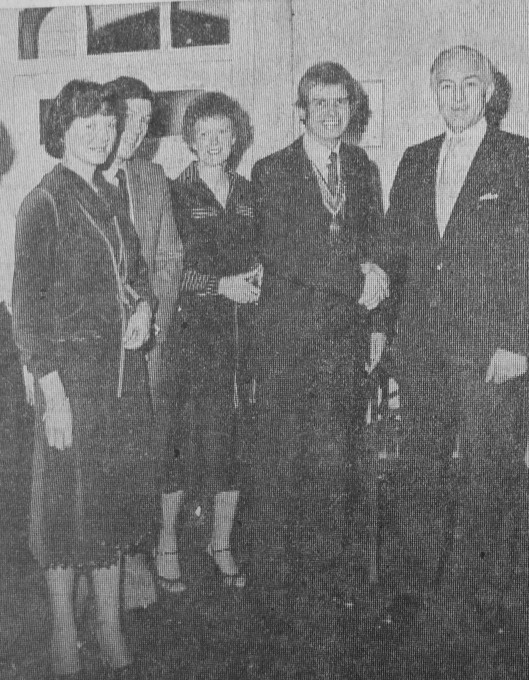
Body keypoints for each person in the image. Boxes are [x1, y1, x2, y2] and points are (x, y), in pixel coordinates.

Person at [379, 44, 529, 667]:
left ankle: (493, 613)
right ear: (431, 90)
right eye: (446, 85)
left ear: (492, 92)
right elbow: (395, 254)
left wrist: (518, 342)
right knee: (422, 478)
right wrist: (385, 328)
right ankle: (425, 614)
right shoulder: (413, 160)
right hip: (424, 352)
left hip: (492, 353)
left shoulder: (524, 160)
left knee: (491, 481)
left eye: (471, 84)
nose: (458, 96)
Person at [12, 79, 155, 679]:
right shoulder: (43, 202)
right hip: (70, 386)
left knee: (111, 510)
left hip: (120, 383)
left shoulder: (111, 195)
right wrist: (53, 393)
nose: (102, 139)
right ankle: (64, 637)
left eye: (107, 127)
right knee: (65, 513)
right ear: (61, 133)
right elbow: (28, 309)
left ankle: (111, 633)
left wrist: (144, 310)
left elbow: (137, 273)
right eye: (87, 128)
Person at [248, 62, 388, 629]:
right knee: (293, 473)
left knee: (344, 472)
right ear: (300, 111)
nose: (332, 112)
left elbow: (377, 242)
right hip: (290, 350)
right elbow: (288, 254)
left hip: (347, 347)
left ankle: (342, 593)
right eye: (320, 102)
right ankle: (290, 598)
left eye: (341, 103)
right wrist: (355, 281)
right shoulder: (271, 171)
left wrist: (380, 316)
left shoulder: (363, 167)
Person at [154, 92, 258, 593]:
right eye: (205, 134)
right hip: (191, 340)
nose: (216, 143)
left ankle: (221, 545)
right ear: (191, 141)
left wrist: (260, 273)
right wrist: (220, 286)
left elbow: (267, 251)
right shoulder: (174, 194)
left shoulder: (248, 192)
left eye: (224, 133)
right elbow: (172, 274)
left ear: (235, 137)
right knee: (178, 447)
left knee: (231, 446)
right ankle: (167, 546)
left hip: (240, 340)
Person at [102, 76, 184, 605]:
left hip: (149, 347)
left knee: (144, 460)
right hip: (99, 354)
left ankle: (138, 562)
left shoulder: (152, 178)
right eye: (125, 119)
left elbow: (171, 259)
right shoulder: (74, 181)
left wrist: (151, 314)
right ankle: (104, 575)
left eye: (145, 123)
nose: (135, 132)